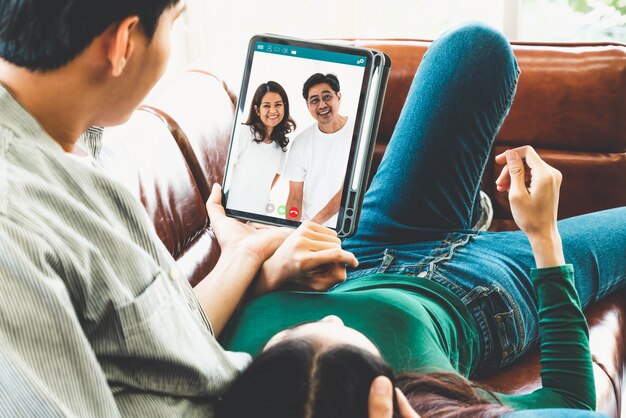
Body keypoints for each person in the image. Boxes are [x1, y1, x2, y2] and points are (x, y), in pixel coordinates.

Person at [216, 23, 626, 417]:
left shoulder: (231, 373)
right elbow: (569, 401)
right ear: (384, 399)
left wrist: (256, 257)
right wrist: (544, 236)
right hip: (482, 292)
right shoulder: (434, 403)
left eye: (289, 338)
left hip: (364, 248)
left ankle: (468, 214)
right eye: (347, 338)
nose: (331, 315)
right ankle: (471, 221)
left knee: (474, 48)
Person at [0, 1, 322, 416]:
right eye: (174, 24)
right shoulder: (15, 226)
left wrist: (246, 255)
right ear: (121, 45)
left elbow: (154, 349)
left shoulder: (77, 136)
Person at [283, 73, 355, 226]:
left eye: (327, 97)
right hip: (310, 231)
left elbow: (349, 189)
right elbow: (295, 198)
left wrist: (313, 225)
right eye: (314, 100)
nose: (322, 105)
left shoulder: (359, 133)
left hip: (347, 230)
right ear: (307, 106)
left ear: (339, 97)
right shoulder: (300, 143)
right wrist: (290, 230)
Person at [225, 81, 296, 215]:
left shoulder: (282, 144)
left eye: (278, 105)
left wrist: (260, 195)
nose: (273, 111)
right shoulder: (244, 133)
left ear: (285, 107)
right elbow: (225, 172)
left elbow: (277, 173)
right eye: (266, 106)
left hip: (259, 214)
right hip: (232, 212)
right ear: (257, 110)